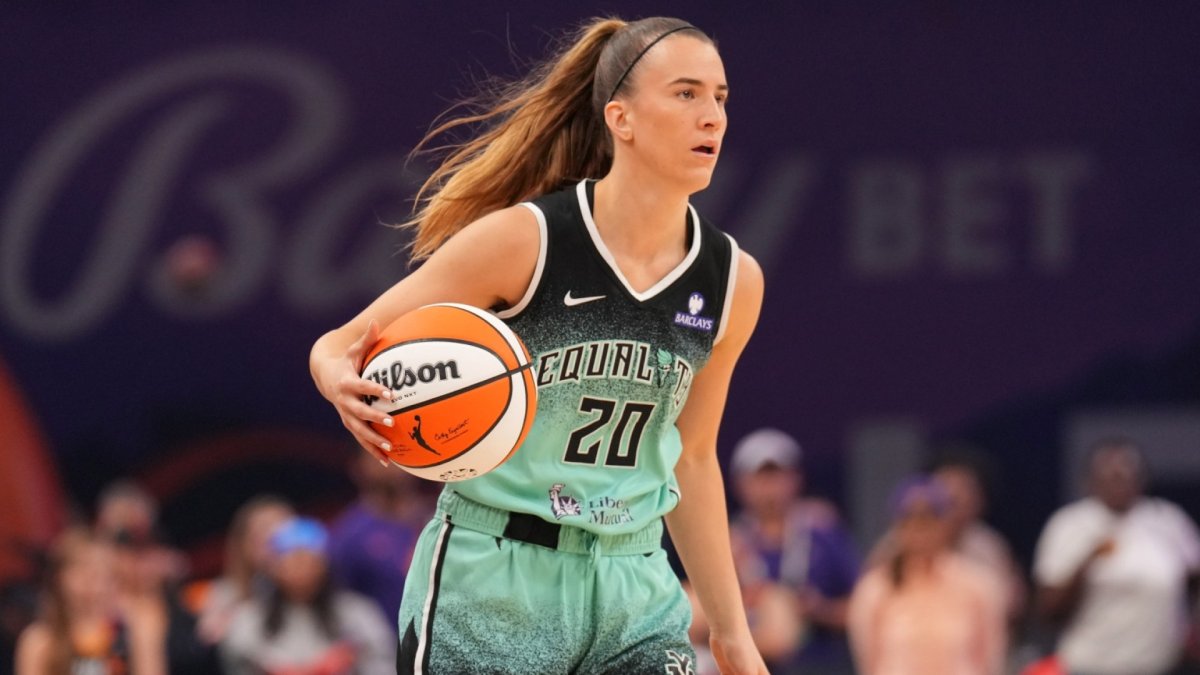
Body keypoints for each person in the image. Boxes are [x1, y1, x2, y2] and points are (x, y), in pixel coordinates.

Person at [309, 15, 767, 674]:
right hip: (494, 579)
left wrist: (731, 632)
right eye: (686, 93)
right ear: (621, 118)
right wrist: (335, 377)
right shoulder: (528, 240)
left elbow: (692, 459)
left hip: (634, 585)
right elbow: (342, 342)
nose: (712, 116)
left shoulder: (730, 280)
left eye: (720, 97)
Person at [1033, 437, 1200, 675]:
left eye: (1127, 472)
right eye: (1110, 474)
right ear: (1090, 480)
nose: (1120, 480)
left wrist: (1193, 628)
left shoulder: (1167, 519)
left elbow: (1194, 578)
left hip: (1160, 665)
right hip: (1092, 666)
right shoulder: (1070, 524)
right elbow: (1048, 610)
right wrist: (1088, 560)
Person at [727, 428, 860, 673]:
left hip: (820, 663)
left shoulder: (822, 531)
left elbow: (862, 607)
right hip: (751, 664)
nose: (768, 488)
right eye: (759, 478)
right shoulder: (729, 542)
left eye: (776, 476)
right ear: (740, 484)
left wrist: (821, 610)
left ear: (796, 478)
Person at [848, 476, 1006, 675]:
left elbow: (990, 658)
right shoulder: (875, 589)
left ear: (946, 524)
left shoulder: (977, 585)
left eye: (929, 520)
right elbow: (868, 660)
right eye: (910, 521)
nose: (919, 531)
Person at [220, 517, 395, 675]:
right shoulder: (249, 620)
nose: (302, 569)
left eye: (309, 559)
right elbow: (235, 660)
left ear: (325, 564)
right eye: (292, 560)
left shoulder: (357, 612)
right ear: (273, 567)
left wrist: (351, 659)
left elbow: (385, 660)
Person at [328, 451, 431, 624]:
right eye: (379, 456)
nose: (390, 465)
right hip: (385, 637)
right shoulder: (349, 534)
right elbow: (340, 603)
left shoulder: (438, 518)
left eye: (398, 454)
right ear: (358, 468)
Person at [15, 528, 134, 674]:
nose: (91, 579)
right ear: (59, 577)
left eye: (100, 570)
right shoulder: (39, 641)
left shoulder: (129, 629)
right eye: (81, 568)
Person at [196, 494, 295, 645]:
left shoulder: (322, 593)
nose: (276, 538)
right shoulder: (223, 595)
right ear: (244, 545)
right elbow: (207, 640)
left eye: (285, 529)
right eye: (264, 529)